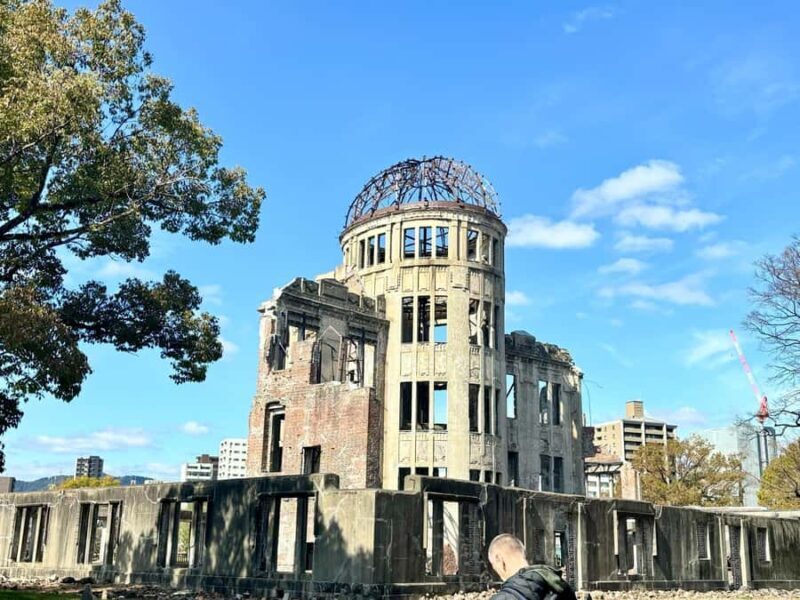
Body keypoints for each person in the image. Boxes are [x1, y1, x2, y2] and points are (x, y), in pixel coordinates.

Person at [487, 534, 577, 600]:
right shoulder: (563, 589)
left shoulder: (503, 598)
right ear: (524, 554)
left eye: (494, 567)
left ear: (499, 560)